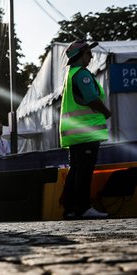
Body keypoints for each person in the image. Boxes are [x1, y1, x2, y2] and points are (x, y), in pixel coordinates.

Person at [59, 40, 112, 220]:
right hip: (85, 133)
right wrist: (106, 112)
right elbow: (92, 99)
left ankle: (70, 208)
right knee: (84, 171)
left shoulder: (70, 74)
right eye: (89, 53)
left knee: (76, 170)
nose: (91, 56)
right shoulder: (83, 75)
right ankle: (83, 208)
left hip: (74, 134)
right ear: (81, 55)